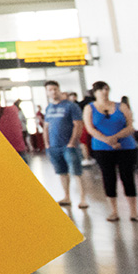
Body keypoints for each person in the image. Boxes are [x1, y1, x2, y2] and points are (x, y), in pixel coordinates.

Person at [83, 80, 138, 222]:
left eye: (106, 89)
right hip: (103, 148)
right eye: (100, 90)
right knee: (108, 178)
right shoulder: (90, 108)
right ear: (95, 92)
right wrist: (107, 140)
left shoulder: (121, 106)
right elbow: (90, 129)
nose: (104, 92)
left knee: (127, 177)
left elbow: (130, 126)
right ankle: (113, 211)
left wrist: (115, 138)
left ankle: (134, 212)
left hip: (125, 147)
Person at [43, 80, 88, 209]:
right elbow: (46, 127)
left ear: (59, 89)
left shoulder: (70, 106)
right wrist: (47, 144)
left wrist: (72, 142)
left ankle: (82, 198)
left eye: (55, 89)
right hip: (54, 146)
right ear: (47, 92)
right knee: (62, 172)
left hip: (68, 145)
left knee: (76, 172)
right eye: (50, 90)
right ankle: (66, 196)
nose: (53, 92)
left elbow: (78, 124)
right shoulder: (49, 108)